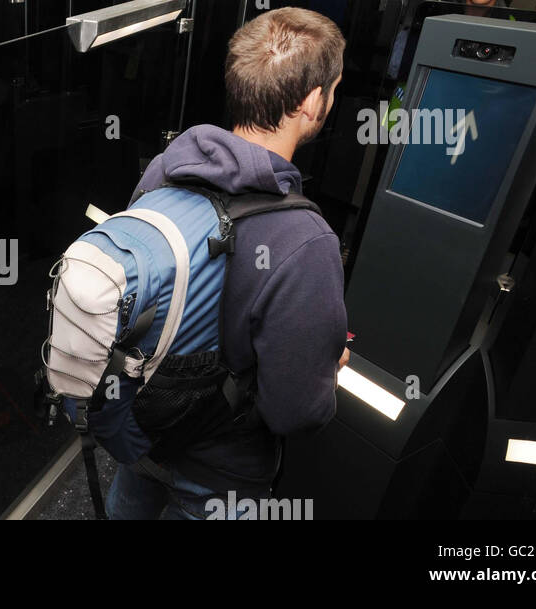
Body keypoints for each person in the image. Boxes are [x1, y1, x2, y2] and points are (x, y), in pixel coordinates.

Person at [109, 8, 350, 519]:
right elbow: (294, 412)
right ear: (311, 102)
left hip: (142, 432)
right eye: (333, 88)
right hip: (220, 477)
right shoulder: (306, 242)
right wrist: (324, 374)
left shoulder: (165, 168)